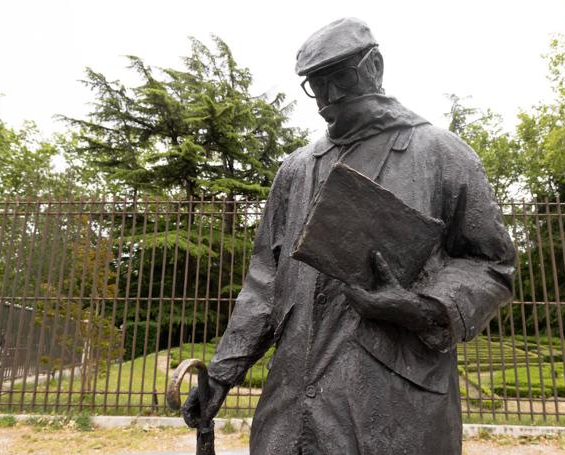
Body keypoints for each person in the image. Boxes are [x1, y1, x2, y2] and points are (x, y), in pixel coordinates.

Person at [182, 17, 516, 454]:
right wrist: (223, 373)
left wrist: (419, 306)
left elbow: (492, 265)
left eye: (341, 76)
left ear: (374, 66)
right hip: (292, 409)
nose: (329, 96)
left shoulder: (442, 154)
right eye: (317, 84)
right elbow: (265, 284)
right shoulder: (296, 170)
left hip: (395, 407)